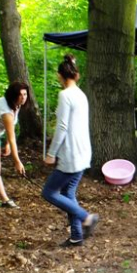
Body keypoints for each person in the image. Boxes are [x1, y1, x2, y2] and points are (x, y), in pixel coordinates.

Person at [42, 55, 99, 248]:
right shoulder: (81, 94)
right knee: (68, 193)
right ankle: (76, 236)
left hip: (71, 154)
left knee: (49, 192)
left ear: (60, 76)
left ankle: (86, 217)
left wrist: (51, 153)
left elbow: (62, 127)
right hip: (83, 152)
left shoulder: (65, 95)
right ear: (76, 74)